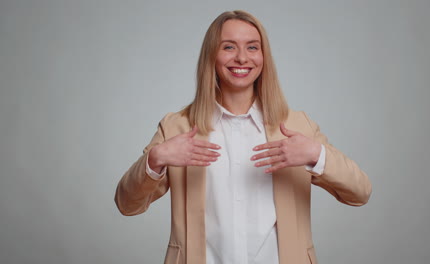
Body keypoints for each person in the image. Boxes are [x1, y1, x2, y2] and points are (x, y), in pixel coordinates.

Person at [115, 10, 372, 264]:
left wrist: (317, 155)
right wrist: (156, 159)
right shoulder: (177, 127)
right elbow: (127, 205)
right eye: (228, 47)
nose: (241, 58)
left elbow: (360, 193)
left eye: (252, 47)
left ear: (263, 56)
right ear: (211, 56)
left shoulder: (297, 126)